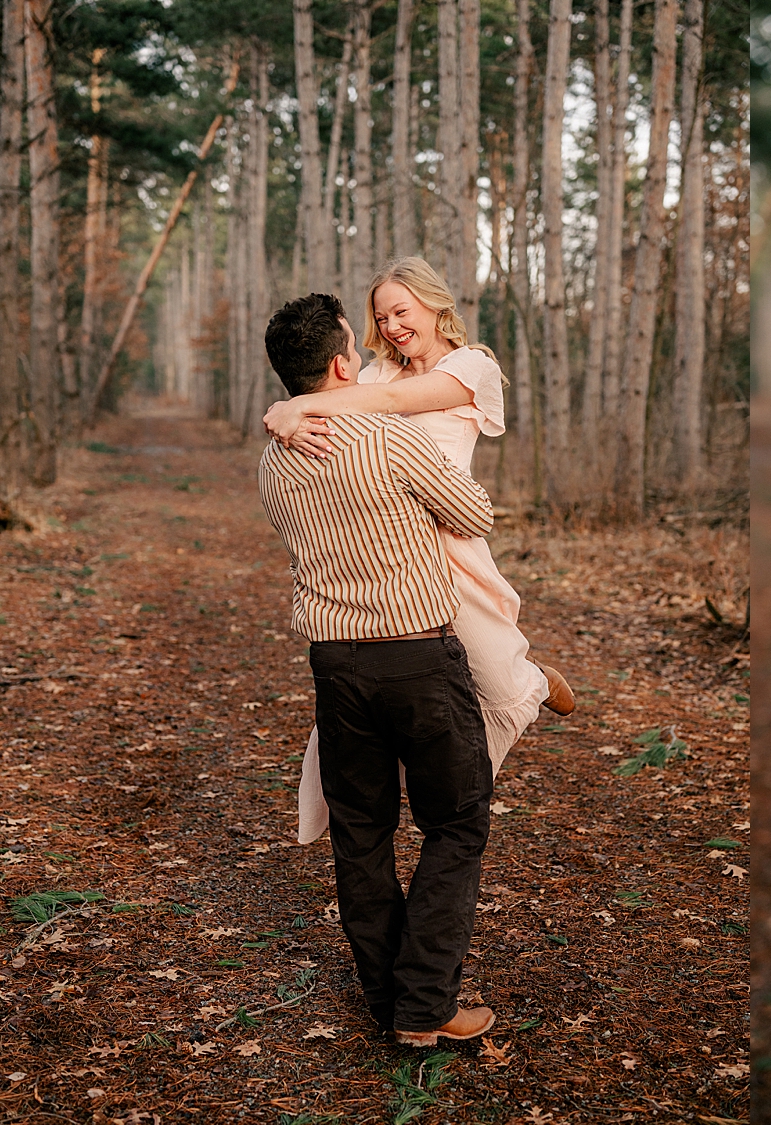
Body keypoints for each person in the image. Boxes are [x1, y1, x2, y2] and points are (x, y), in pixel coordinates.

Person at [262, 257, 571, 846]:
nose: (395, 325)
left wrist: (295, 407)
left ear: (435, 306)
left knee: (501, 688)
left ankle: (523, 697)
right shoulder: (373, 374)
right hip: (386, 550)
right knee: (350, 714)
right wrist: (288, 411)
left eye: (403, 311)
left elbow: (390, 408)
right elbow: (334, 396)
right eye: (382, 316)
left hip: (451, 545)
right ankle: (353, 820)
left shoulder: (470, 366)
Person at [259, 292, 496, 1046]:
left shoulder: (273, 458)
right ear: (339, 362)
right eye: (355, 350)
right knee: (456, 823)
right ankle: (424, 1003)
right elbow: (475, 514)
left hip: (334, 665)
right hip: (418, 656)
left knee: (360, 834)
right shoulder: (385, 433)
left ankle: (388, 999)